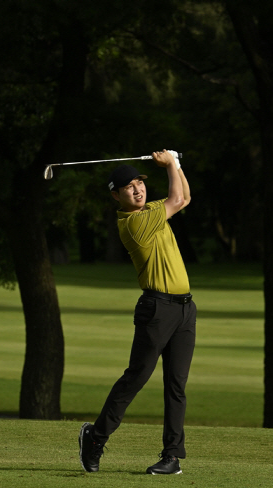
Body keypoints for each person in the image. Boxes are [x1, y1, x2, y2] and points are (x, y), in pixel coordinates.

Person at [79, 149, 196, 475]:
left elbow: (183, 197)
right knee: (136, 378)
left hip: (185, 309)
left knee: (177, 385)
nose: (138, 189)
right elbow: (175, 198)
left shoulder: (152, 209)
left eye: (139, 183)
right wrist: (171, 164)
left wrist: (178, 165)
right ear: (117, 195)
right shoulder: (134, 223)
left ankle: (172, 456)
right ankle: (95, 438)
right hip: (156, 309)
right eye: (129, 187)